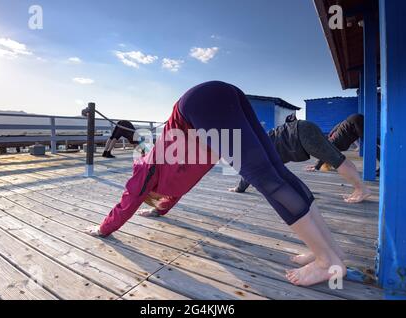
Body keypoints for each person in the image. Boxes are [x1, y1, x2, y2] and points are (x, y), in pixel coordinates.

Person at [85, 81, 346, 287]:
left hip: (196, 107)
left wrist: (103, 229)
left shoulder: (145, 168)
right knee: (277, 171)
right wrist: (158, 210)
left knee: (266, 179)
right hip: (223, 94)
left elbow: (128, 200)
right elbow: (170, 197)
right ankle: (329, 251)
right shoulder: (170, 187)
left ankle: (325, 261)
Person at [229, 114, 371, 203]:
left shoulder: (250, 152)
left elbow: (247, 174)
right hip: (302, 128)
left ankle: (361, 189)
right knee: (337, 158)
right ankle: (360, 188)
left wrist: (238, 189)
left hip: (299, 135)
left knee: (337, 161)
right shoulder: (255, 143)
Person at [310, 114, 380, 173]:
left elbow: (325, 154)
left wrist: (316, 167)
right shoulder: (331, 138)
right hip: (351, 120)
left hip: (354, 122)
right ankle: (384, 144)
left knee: (369, 142)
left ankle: (384, 164)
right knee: (371, 141)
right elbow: (338, 126)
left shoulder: (332, 143)